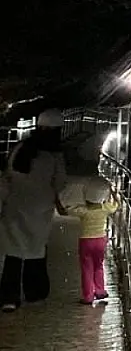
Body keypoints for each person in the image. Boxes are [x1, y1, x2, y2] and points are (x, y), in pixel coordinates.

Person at [0, 109, 68, 312]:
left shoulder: (21, 148)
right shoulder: (54, 155)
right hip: (40, 210)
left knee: (13, 254)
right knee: (36, 252)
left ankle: (8, 297)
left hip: (14, 207)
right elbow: (60, 182)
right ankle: (35, 292)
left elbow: (8, 175)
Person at [65, 177, 118, 305]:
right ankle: (100, 291)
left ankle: (88, 296)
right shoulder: (105, 208)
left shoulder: (83, 211)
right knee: (99, 266)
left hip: (86, 241)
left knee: (86, 268)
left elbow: (66, 209)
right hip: (101, 240)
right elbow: (116, 205)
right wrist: (113, 192)